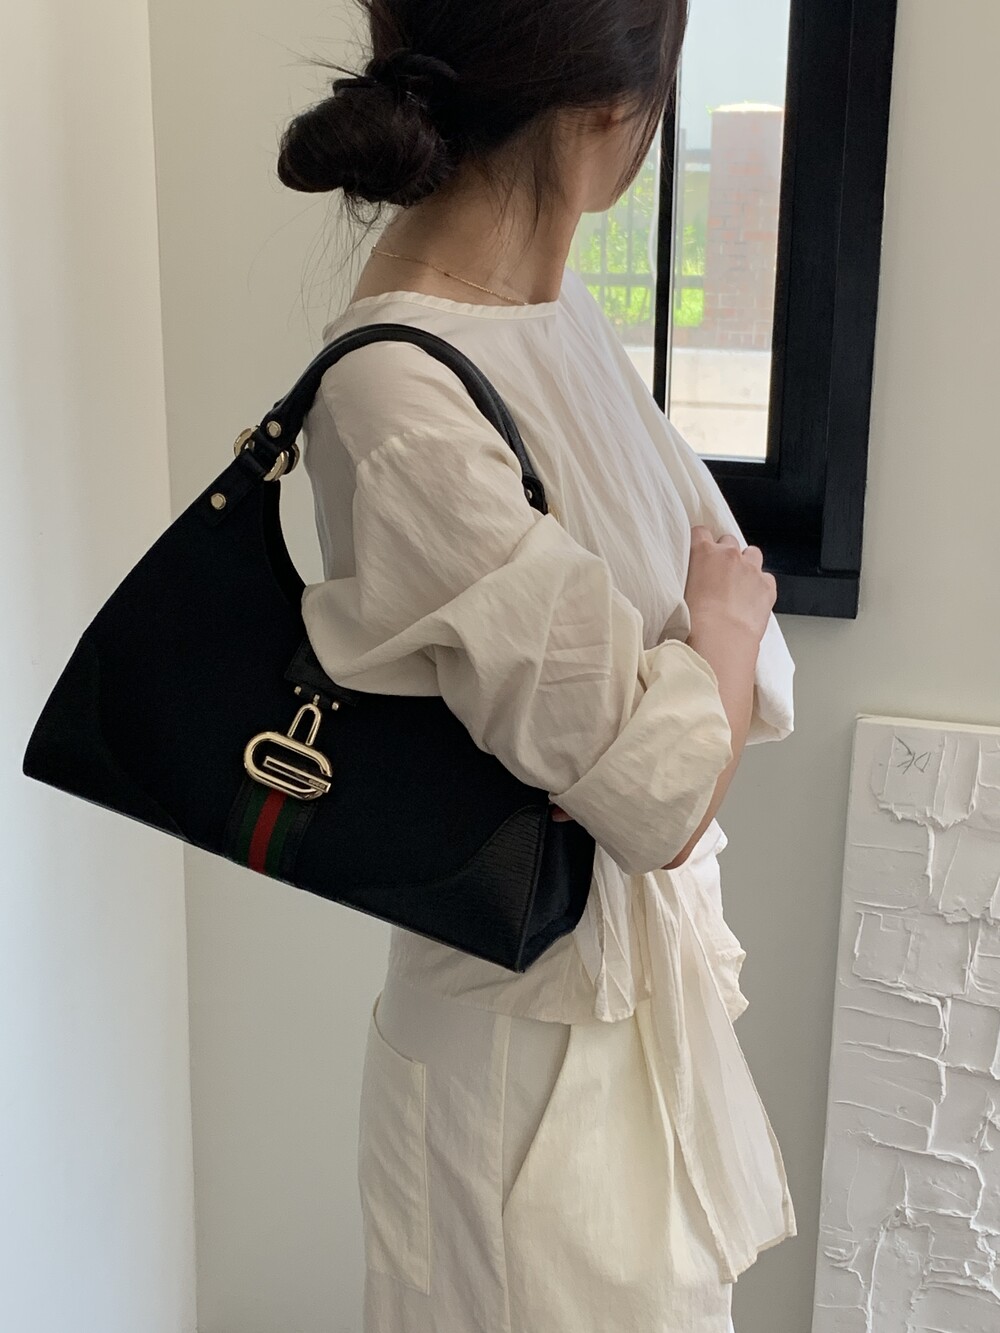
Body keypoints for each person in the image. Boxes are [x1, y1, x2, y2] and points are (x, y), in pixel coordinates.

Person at [276, 1, 797, 1328]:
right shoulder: (401, 396)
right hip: (525, 1083)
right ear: (608, 109)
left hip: (619, 1040)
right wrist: (710, 649)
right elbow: (667, 793)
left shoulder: (554, 318)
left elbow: (733, 672)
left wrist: (705, 667)